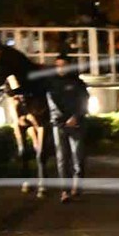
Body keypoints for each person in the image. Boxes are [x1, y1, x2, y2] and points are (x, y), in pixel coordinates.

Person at [46, 54, 89, 202]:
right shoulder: (51, 84)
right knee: (62, 158)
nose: (61, 68)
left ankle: (77, 185)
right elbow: (52, 104)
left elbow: (84, 100)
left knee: (78, 156)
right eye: (58, 65)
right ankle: (65, 190)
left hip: (77, 123)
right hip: (59, 125)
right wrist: (63, 119)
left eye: (63, 65)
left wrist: (76, 116)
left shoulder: (78, 83)